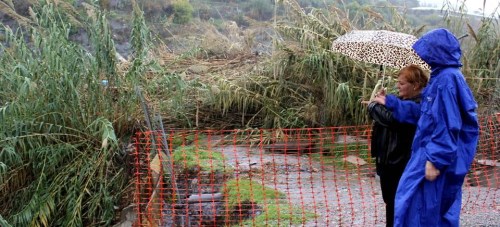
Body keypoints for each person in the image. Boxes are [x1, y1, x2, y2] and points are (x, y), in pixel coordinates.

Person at [372, 28, 480, 226]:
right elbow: (425, 114)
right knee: (417, 207)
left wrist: (435, 160)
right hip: (428, 153)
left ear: (437, 51)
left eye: (427, 51)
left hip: (432, 156)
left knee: (425, 212)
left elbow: (448, 123)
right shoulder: (441, 77)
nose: (424, 56)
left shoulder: (447, 79)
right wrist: (392, 103)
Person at [366, 65, 428, 227]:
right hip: (387, 160)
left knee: (399, 202)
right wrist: (381, 103)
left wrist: (373, 106)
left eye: (402, 83)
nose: (398, 86)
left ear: (415, 85)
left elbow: (391, 120)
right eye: (398, 82)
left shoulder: (419, 104)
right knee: (390, 202)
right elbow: (384, 115)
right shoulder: (401, 101)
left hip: (400, 161)